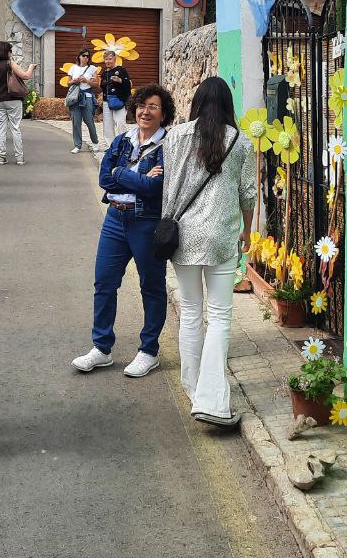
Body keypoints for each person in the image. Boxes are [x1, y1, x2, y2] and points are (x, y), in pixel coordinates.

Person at [161, 77, 256, 426]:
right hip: (220, 237)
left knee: (190, 313)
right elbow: (248, 193)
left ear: (197, 103)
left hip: (182, 235)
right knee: (219, 317)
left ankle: (193, 390)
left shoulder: (175, 136)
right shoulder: (241, 141)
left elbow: (169, 185)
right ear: (228, 105)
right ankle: (213, 401)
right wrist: (247, 230)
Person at [72, 84, 175, 378]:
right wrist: (134, 177)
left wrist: (123, 174)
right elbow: (106, 178)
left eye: (153, 106)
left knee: (151, 287)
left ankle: (148, 351)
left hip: (146, 223)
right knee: (104, 283)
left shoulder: (169, 146)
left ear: (163, 113)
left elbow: (156, 188)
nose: (146, 111)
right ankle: (101, 348)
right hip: (115, 220)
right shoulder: (121, 141)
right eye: (142, 106)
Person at [0, 41, 36, 166]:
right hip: (13, 99)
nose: (11, 53)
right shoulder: (10, 64)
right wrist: (31, 67)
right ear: (6, 52)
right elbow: (25, 76)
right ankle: (19, 157)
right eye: (10, 51)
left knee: (1, 128)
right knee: (15, 127)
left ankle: (1, 156)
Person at [67, 49, 101, 154]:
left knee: (89, 121)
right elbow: (68, 83)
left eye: (87, 56)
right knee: (76, 122)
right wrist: (75, 80)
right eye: (83, 55)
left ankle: (95, 143)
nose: (85, 58)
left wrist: (87, 81)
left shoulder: (92, 68)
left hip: (88, 96)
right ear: (79, 56)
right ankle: (77, 145)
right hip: (75, 97)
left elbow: (97, 84)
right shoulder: (73, 68)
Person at [99, 49, 133, 146]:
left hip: (118, 100)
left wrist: (120, 81)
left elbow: (128, 85)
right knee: (108, 126)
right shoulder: (104, 73)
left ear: (115, 59)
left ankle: (123, 144)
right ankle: (111, 146)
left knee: (120, 123)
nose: (108, 61)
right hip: (107, 101)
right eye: (106, 59)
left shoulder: (121, 70)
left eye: (110, 59)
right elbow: (102, 87)